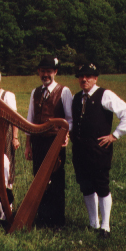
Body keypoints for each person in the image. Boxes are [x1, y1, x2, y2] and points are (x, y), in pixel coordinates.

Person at [71, 63, 126, 239]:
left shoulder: (104, 94)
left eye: (88, 76)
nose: (84, 79)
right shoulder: (76, 98)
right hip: (80, 150)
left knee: (101, 186)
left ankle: (105, 227)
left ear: (95, 78)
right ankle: (93, 223)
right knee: (86, 186)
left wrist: (115, 135)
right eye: (81, 76)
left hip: (99, 149)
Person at [24, 55, 73, 228]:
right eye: (43, 71)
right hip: (37, 141)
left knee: (56, 180)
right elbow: (30, 119)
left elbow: (70, 119)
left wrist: (65, 134)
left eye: (49, 71)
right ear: (39, 72)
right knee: (39, 179)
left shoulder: (64, 91)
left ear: (55, 72)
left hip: (55, 141)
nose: (46, 74)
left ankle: (57, 220)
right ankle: (42, 217)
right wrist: (28, 144)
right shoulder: (35, 92)